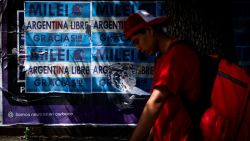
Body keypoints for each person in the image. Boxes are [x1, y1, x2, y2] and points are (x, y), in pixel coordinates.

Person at [123, 10, 202, 141]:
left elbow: (156, 101)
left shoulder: (178, 54)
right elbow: (163, 104)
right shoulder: (162, 58)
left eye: (137, 41)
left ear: (149, 31)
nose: (138, 48)